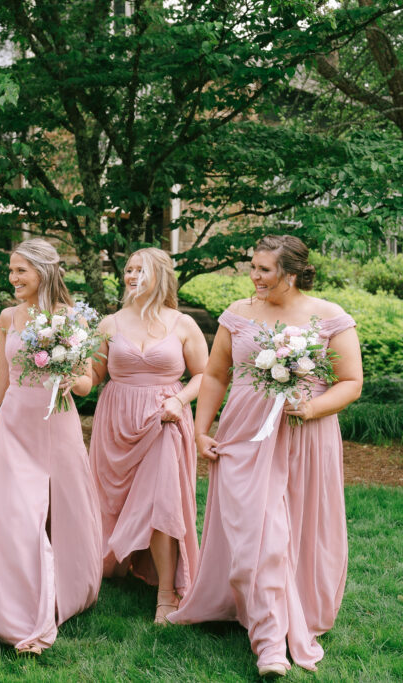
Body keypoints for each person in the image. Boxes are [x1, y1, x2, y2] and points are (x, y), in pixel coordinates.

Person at [169, 235, 363, 678]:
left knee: (289, 529)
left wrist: (311, 407)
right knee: (259, 531)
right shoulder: (238, 315)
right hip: (243, 436)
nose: (253, 276)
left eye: (264, 269)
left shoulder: (329, 316)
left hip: (303, 435)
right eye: (252, 267)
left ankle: (279, 623)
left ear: (291, 274)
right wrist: (201, 431)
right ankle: (272, 643)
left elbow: (351, 381)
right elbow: (216, 375)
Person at [0, 238, 103, 655]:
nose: (12, 278)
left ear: (43, 272)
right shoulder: (8, 316)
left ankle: (63, 591)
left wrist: (74, 382)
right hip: (15, 421)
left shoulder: (72, 318)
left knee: (61, 512)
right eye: (11, 270)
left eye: (21, 271)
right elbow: (2, 370)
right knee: (7, 514)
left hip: (56, 423)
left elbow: (88, 381)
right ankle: (12, 607)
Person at [87, 247, 207, 623]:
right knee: (111, 500)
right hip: (116, 421)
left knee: (162, 502)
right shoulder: (109, 324)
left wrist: (180, 400)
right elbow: (91, 378)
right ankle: (110, 565)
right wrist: (56, 362)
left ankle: (167, 593)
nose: (132, 275)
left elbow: (206, 376)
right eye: (128, 269)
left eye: (142, 270)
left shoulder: (183, 324)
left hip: (164, 420)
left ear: (161, 276)